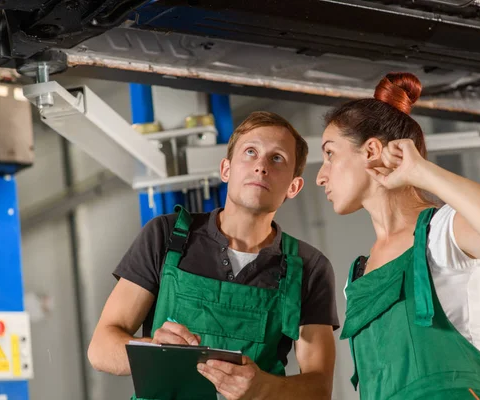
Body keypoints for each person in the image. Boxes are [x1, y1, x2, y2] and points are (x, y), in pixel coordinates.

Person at [315, 72, 480, 400]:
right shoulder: (358, 279)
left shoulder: (439, 233)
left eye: (330, 154)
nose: (321, 176)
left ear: (371, 150)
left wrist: (421, 171)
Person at [88, 111, 339, 400]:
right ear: (226, 169)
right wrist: (156, 352)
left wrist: (262, 388)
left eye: (277, 158)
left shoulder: (308, 267)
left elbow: (319, 388)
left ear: (293, 186)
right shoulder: (166, 237)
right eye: (250, 152)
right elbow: (101, 348)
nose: (261, 166)